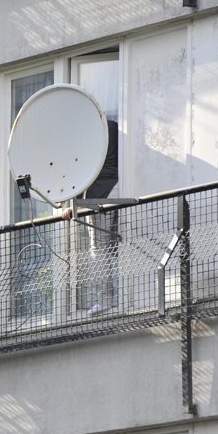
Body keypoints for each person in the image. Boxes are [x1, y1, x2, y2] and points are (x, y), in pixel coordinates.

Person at [62, 118, 119, 316]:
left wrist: (73, 205)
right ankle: (125, 298)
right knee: (119, 242)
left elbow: (81, 170)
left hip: (99, 194)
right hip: (120, 186)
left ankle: (105, 300)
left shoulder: (87, 133)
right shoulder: (113, 126)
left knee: (99, 247)